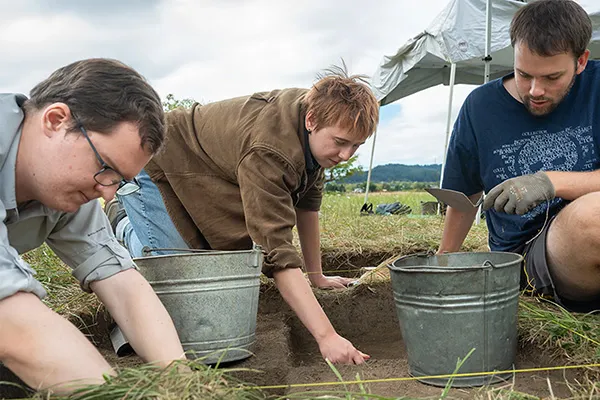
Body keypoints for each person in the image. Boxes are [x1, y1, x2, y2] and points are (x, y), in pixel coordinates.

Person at [107, 67, 380, 364]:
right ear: (311, 120)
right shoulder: (272, 149)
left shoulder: (313, 134)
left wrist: (316, 276)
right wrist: (327, 337)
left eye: (357, 146)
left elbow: (307, 207)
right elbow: (275, 250)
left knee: (212, 264)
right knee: (175, 271)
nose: (346, 155)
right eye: (340, 142)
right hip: (161, 158)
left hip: (206, 172)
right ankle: (123, 221)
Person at [0, 59, 185, 394]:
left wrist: (183, 384)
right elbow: (14, 326)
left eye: (120, 181)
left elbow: (120, 282)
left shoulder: (65, 185)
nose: (107, 191)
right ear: (56, 121)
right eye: (105, 167)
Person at [438, 0, 600, 312]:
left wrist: (551, 182)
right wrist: (444, 261)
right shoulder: (480, 108)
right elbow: (464, 196)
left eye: (552, 78)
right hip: (529, 258)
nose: (535, 90)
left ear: (581, 61)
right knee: (594, 218)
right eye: (524, 74)